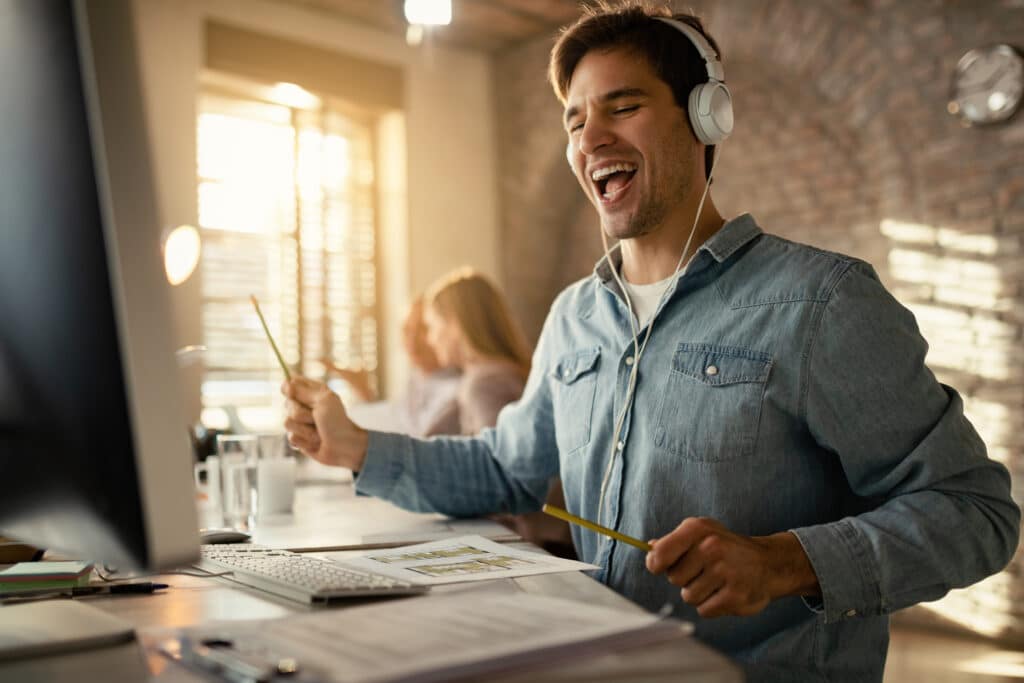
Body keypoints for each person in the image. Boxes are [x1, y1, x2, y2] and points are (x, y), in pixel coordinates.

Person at [282, 4, 1020, 680]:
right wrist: (354, 446)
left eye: (622, 106)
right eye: (574, 121)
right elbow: (506, 469)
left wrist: (785, 561)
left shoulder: (822, 302)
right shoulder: (574, 316)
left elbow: (976, 512)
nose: (590, 138)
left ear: (707, 118)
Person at [323, 296, 461, 437]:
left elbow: (415, 444)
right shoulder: (417, 376)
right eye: (406, 330)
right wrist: (365, 393)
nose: (412, 341)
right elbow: (396, 424)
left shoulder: (457, 391)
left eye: (423, 329)